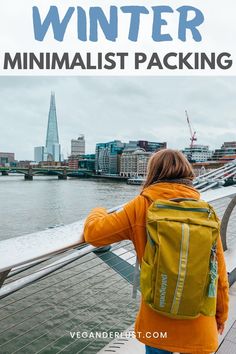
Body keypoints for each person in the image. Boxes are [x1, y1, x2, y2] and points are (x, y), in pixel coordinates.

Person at [83, 149, 229, 354]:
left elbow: (94, 234)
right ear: (188, 174)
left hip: (157, 324)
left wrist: (97, 211)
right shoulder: (206, 212)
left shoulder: (140, 206)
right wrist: (220, 316)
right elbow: (219, 275)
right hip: (200, 323)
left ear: (152, 173)